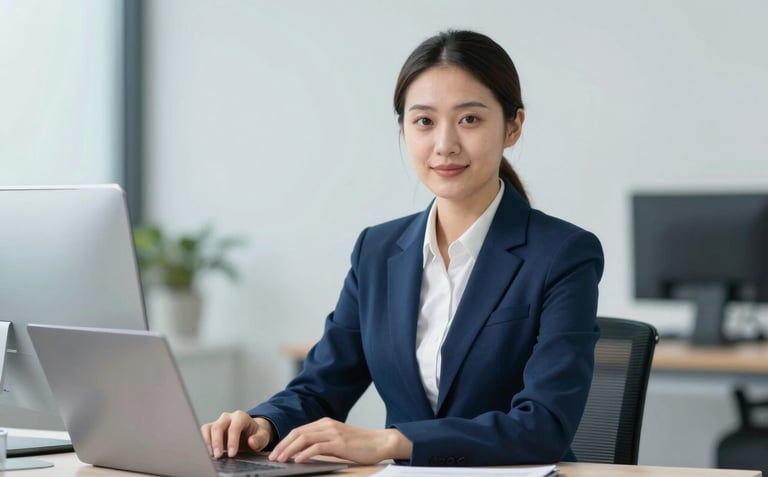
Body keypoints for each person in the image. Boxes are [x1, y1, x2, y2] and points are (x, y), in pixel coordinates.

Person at [202, 29, 604, 467]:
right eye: (424, 121)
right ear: (404, 130)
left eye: (469, 119)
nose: (444, 144)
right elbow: (321, 386)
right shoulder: (377, 251)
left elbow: (543, 426)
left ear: (513, 127)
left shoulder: (563, 254)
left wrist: (393, 442)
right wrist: (265, 425)